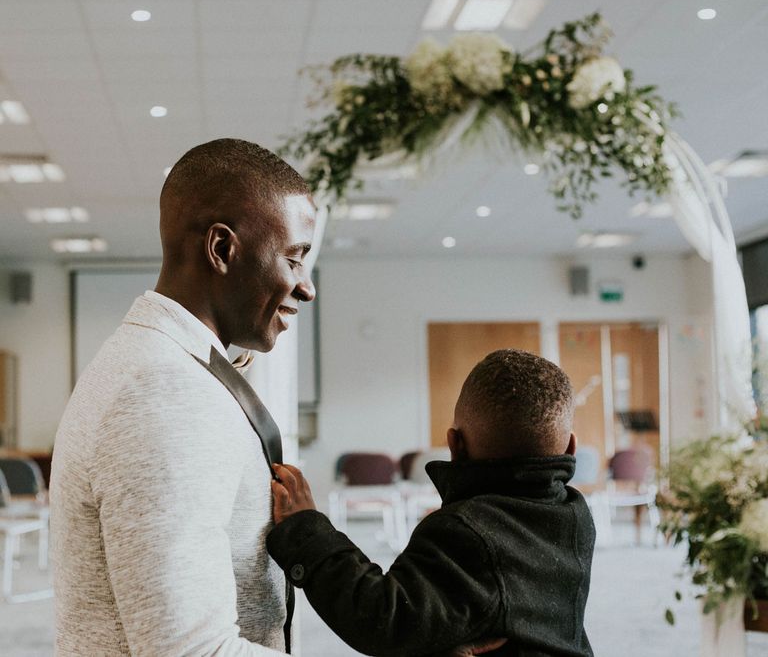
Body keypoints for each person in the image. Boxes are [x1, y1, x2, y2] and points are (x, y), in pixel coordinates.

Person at [50, 139, 316, 655]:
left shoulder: (167, 363)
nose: (306, 288)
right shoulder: (163, 387)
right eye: (293, 259)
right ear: (221, 249)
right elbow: (190, 650)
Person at [267, 349, 595, 657]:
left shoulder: (465, 529)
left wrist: (307, 530)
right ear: (570, 448)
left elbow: (383, 616)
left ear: (454, 444)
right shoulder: (576, 514)